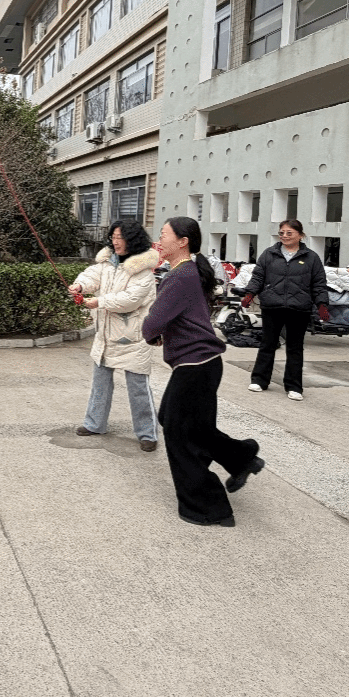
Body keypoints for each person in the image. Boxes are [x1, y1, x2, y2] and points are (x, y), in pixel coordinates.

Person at [142, 216, 264, 528]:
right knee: (180, 423)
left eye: (164, 234)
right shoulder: (186, 272)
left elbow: (154, 321)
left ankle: (209, 506)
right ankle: (241, 457)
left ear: (182, 242)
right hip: (201, 364)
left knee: (180, 435)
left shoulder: (180, 276)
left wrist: (152, 333)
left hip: (197, 365)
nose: (159, 239)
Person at [69, 221, 163, 451]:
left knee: (138, 388)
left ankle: (147, 433)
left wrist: (99, 302)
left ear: (133, 239)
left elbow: (131, 299)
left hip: (134, 338)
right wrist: (80, 285)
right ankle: (95, 424)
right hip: (105, 334)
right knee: (100, 384)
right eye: (113, 236)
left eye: (120, 237)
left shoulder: (143, 271)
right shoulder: (107, 262)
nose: (116, 241)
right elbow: (92, 275)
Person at [241, 218, 329, 402]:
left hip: (299, 308)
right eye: (282, 233)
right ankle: (259, 380)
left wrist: (322, 304)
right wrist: (250, 293)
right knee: (268, 344)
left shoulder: (311, 257)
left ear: (300, 235)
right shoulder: (269, 254)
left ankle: (294, 386)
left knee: (295, 347)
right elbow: (258, 276)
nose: (285, 236)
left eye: (289, 233)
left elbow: (319, 283)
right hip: (272, 306)